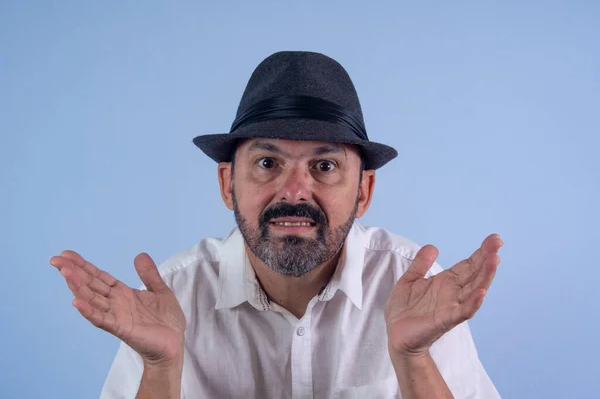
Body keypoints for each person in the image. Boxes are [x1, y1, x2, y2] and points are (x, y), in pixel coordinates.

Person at [51, 51, 503, 399]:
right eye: (268, 162)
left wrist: (414, 359)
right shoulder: (171, 299)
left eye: (324, 166)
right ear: (228, 183)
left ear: (363, 192)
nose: (294, 191)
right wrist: (161, 369)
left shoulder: (417, 291)